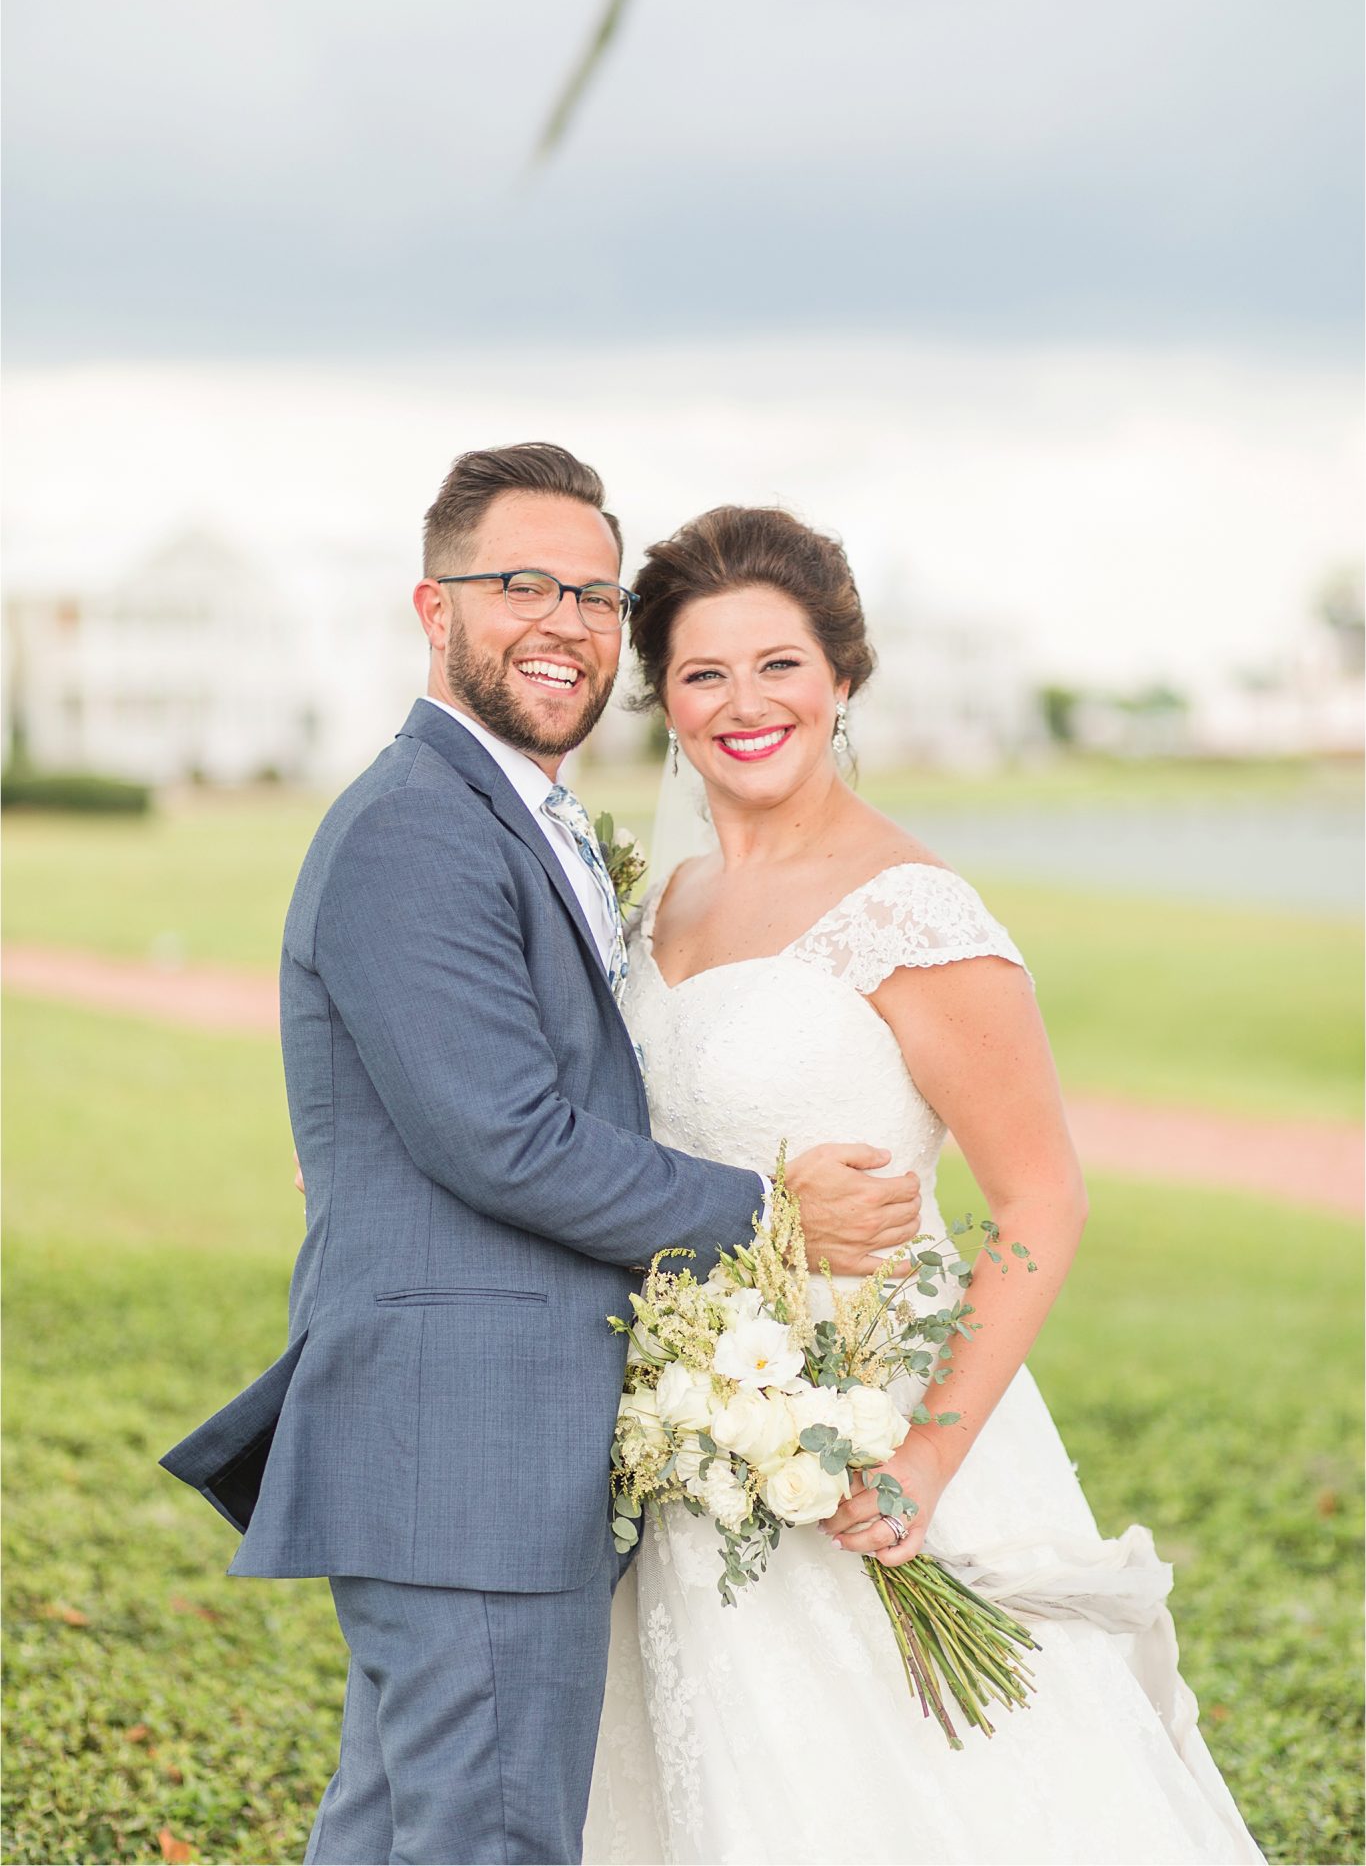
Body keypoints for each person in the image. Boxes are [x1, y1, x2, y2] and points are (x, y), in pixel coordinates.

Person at [159, 443, 925, 1866]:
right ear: (431, 607)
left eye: (590, 590)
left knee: (403, 1834)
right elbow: (502, 1136)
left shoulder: (513, 815)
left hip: (474, 1448)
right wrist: (771, 1218)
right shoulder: (415, 827)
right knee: (485, 1839)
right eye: (519, 583)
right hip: (470, 1449)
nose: (563, 619)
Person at [582, 505, 1264, 1866]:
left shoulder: (914, 912)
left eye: (779, 664)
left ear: (841, 677)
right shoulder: (659, 906)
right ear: (662, 697)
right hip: (687, 1436)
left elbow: (1041, 1202)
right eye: (703, 672)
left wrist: (923, 1458)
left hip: (868, 1424)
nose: (744, 703)